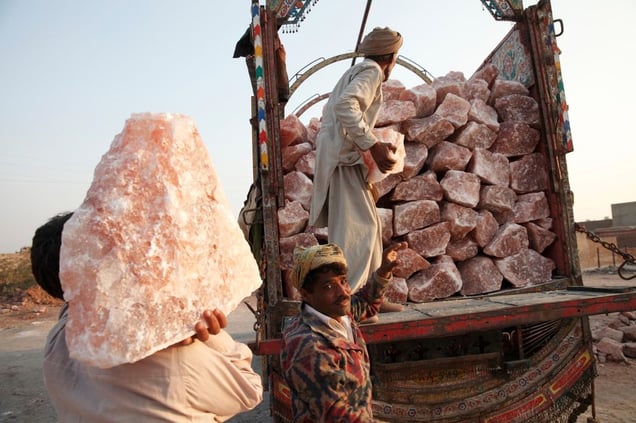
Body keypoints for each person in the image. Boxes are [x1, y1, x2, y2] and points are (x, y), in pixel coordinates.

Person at [30, 212, 263, 422]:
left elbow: (79, 303)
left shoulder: (57, 339)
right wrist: (205, 332)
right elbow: (249, 390)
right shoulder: (168, 352)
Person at [308, 27, 404, 310]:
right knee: (356, 233)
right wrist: (372, 144)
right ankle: (358, 304)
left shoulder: (359, 71)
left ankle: (372, 298)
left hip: (343, 158)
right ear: (391, 56)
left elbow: (340, 109)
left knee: (368, 227)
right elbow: (346, 106)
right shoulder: (372, 72)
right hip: (343, 159)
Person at [280, 241, 406, 422]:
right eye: (329, 286)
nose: (344, 292)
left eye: (343, 281)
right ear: (306, 294)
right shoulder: (310, 346)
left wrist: (383, 271)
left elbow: (365, 303)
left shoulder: (336, 314)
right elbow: (337, 416)